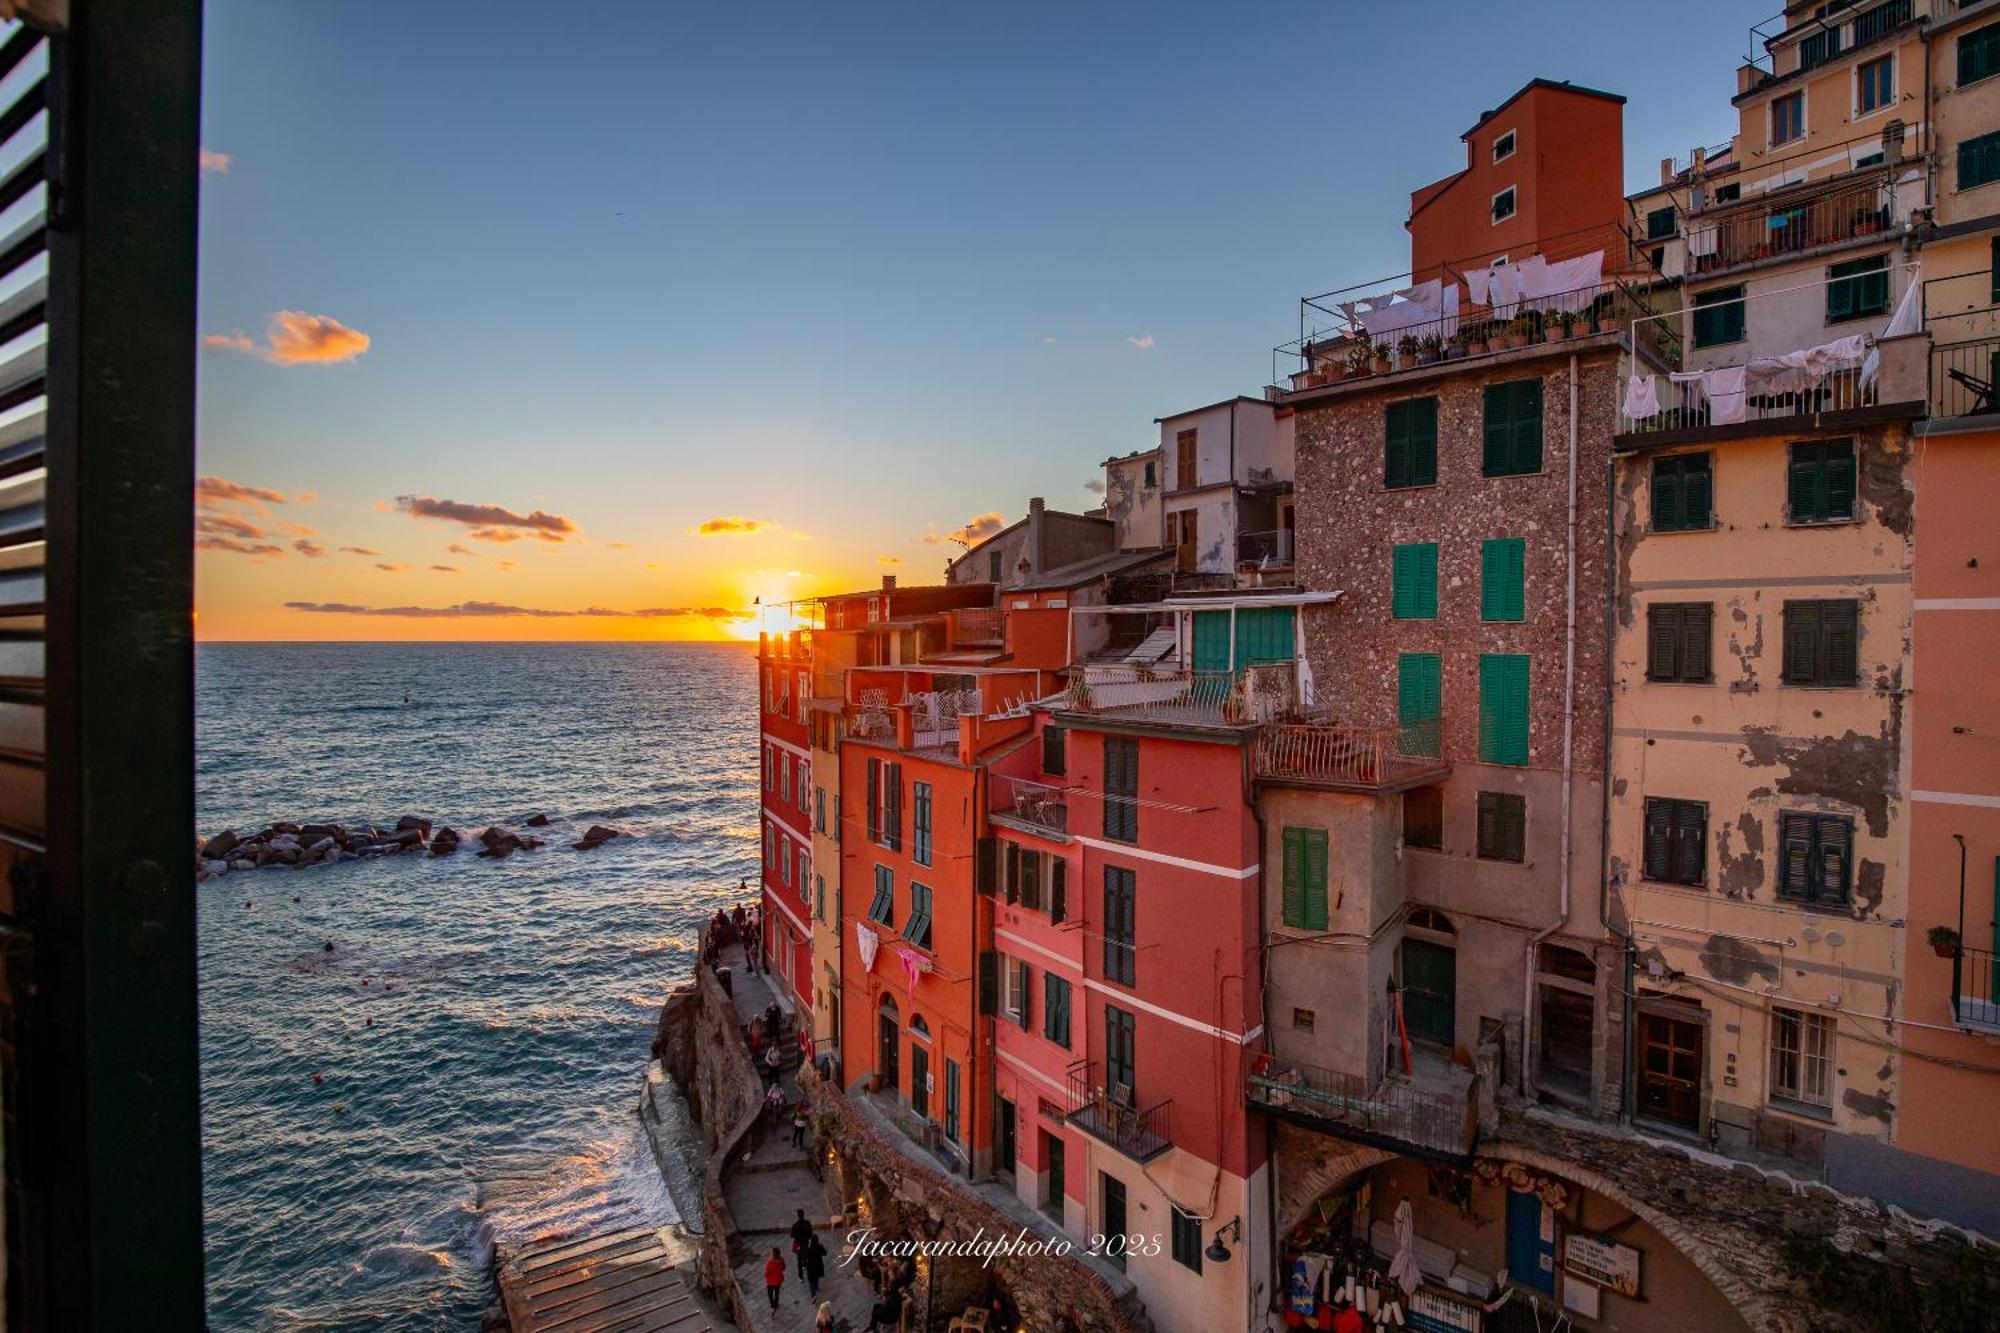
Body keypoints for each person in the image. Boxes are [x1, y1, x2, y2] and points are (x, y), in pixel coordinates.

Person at [802, 1232, 827, 1302]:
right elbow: (825, 1253)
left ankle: (813, 1295)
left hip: (810, 1267)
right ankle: (816, 1288)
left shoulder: (808, 1249)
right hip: (818, 1266)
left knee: (811, 1282)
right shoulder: (819, 1247)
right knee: (816, 1278)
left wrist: (804, 1265)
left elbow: (804, 1257)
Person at [790, 1208, 814, 1278]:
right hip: (805, 1243)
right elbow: (810, 1233)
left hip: (798, 1244)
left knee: (799, 1259)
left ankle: (800, 1276)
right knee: (806, 1255)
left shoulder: (795, 1225)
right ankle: (805, 1264)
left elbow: (792, 1235)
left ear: (797, 1216)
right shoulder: (807, 1223)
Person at [763, 1246, 786, 1312]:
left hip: (771, 1281)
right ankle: (776, 1304)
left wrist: (767, 1277)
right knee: (776, 1293)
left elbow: (767, 1273)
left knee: (770, 1294)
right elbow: (784, 1268)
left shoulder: (770, 1262)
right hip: (778, 1280)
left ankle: (772, 1306)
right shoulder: (782, 1260)